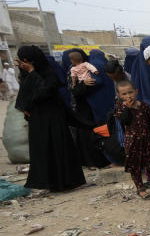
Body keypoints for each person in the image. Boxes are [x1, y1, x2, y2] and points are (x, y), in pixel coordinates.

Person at [14, 46, 86, 192]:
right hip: (37, 118)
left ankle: (65, 182)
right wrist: (27, 109)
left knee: (57, 146)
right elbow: (25, 94)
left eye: (26, 60)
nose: (24, 64)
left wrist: (32, 72)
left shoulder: (49, 73)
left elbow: (44, 91)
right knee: (41, 148)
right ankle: (46, 183)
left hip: (53, 116)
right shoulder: (25, 74)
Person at [66, 48, 112, 169]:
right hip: (85, 106)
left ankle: (100, 160)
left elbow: (96, 81)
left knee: (93, 132)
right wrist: (82, 85)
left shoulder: (89, 67)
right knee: (88, 133)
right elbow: (73, 89)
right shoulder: (74, 71)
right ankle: (92, 161)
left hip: (90, 106)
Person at [115, 80, 150, 199]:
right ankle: (140, 188)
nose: (128, 96)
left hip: (147, 138)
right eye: (124, 94)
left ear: (136, 92)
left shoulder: (143, 105)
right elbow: (124, 121)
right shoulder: (121, 108)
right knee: (135, 165)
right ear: (119, 96)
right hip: (133, 141)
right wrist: (128, 109)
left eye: (130, 92)